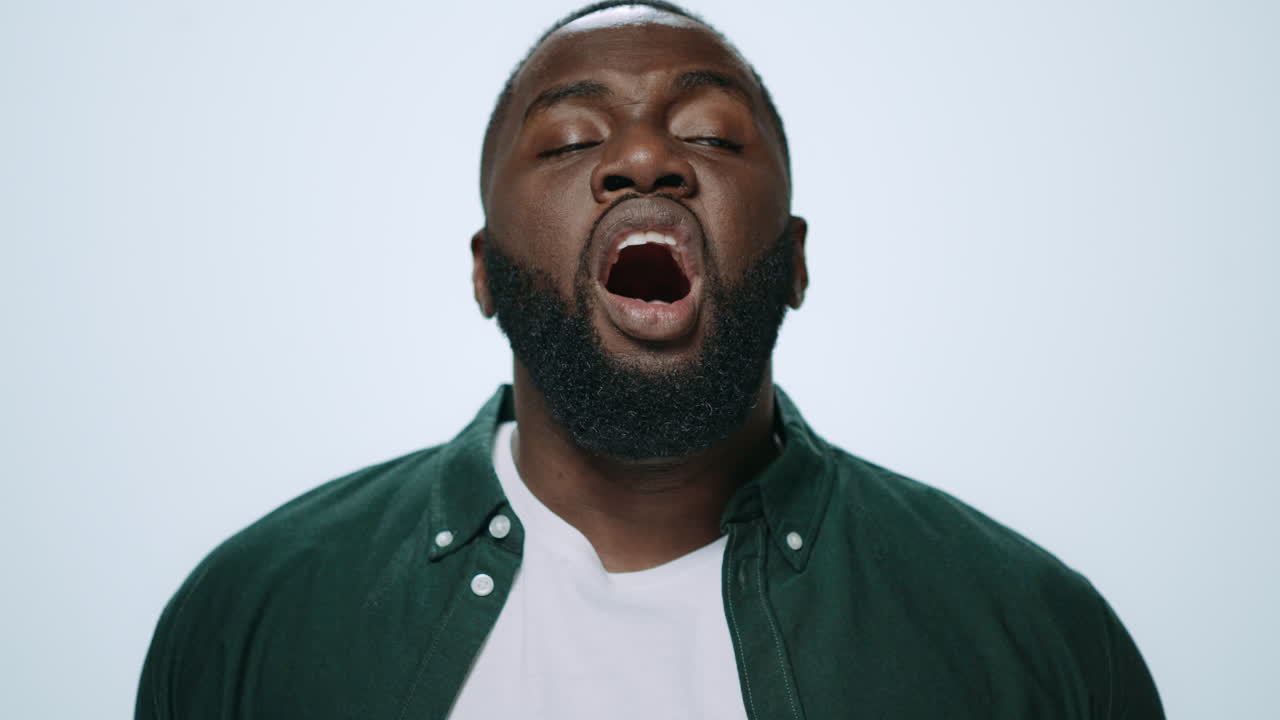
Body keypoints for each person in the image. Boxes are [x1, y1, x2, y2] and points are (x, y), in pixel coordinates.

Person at [136, 2, 1164, 718]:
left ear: (795, 261)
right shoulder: (254, 616)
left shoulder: (1028, 639)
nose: (642, 159)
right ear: (486, 271)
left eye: (712, 136)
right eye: (569, 137)